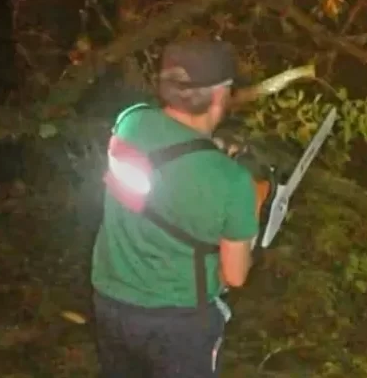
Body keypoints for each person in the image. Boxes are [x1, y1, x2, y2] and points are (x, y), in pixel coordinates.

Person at [91, 39, 262, 378]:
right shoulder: (233, 181)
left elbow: (167, 173)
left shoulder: (130, 122)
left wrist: (209, 149)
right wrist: (251, 220)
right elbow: (235, 276)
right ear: (220, 95)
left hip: (110, 301)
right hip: (178, 321)